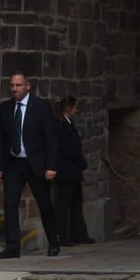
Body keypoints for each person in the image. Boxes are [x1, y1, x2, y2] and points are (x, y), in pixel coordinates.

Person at [0, 72, 61, 258]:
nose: (15, 89)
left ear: (27, 86)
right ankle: (12, 247)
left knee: (44, 203)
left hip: (36, 163)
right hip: (14, 164)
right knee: (10, 203)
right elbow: (0, 139)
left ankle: (53, 242)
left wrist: (51, 165)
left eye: (19, 85)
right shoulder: (6, 108)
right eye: (12, 85)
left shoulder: (40, 107)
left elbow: (51, 138)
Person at [53, 96, 95, 246]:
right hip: (66, 170)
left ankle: (79, 235)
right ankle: (63, 237)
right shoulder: (61, 125)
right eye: (75, 107)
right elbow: (68, 149)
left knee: (76, 203)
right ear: (68, 108)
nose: (77, 110)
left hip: (73, 170)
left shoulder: (68, 124)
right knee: (64, 204)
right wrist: (81, 162)